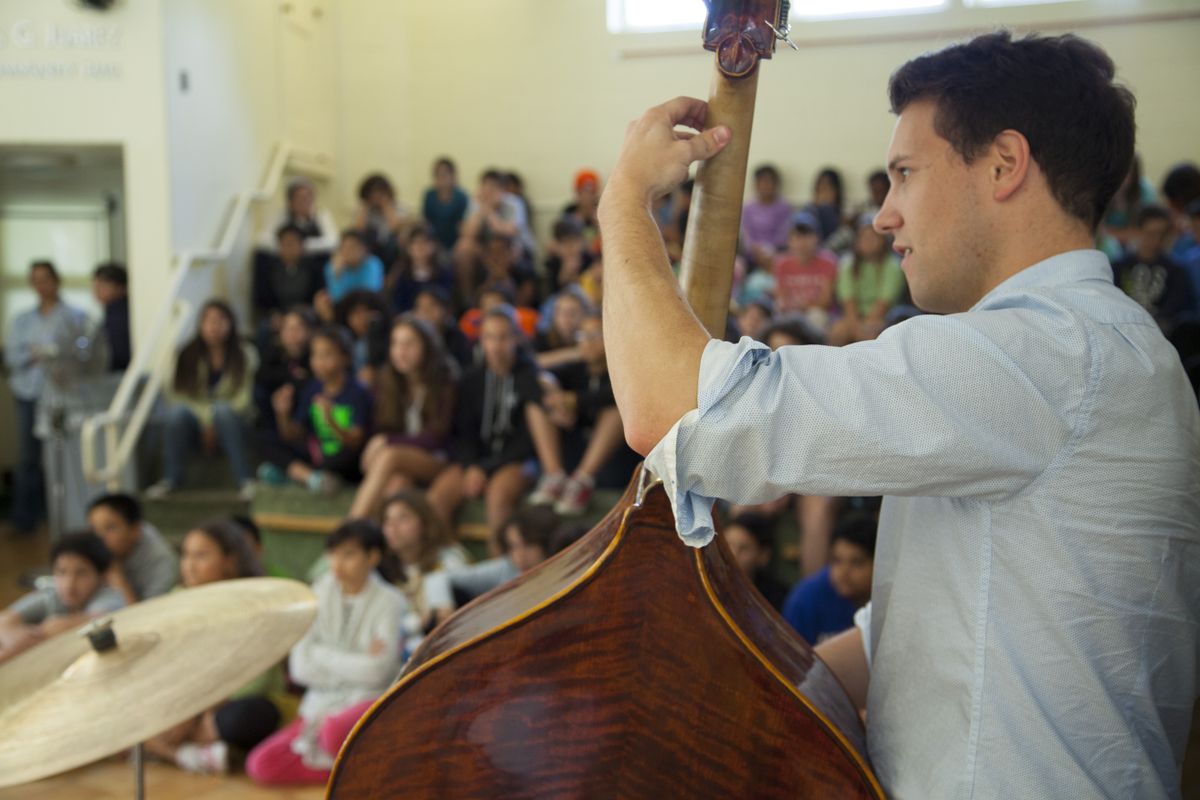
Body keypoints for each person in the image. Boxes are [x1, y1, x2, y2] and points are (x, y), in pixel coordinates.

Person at [598, 31, 1198, 799]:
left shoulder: (1047, 351)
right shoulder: (1087, 349)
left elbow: (670, 408)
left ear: (1005, 166)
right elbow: (922, 638)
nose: (883, 217)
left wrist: (624, 201)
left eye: (904, 175)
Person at [246, 520, 407, 786]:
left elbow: (378, 674)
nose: (337, 563)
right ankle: (354, 775)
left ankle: (354, 769)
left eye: (349, 554)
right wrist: (357, 662)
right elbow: (299, 669)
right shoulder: (317, 595)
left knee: (334, 732)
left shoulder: (389, 602)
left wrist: (320, 654)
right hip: (322, 702)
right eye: (333, 554)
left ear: (373, 557)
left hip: (367, 700)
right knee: (260, 765)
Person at [144, 519, 278, 775]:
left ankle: (167, 746)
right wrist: (182, 708)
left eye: (201, 556)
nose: (190, 566)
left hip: (231, 702)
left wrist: (204, 710)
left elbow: (258, 678)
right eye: (185, 555)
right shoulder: (175, 599)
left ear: (229, 560)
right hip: (184, 703)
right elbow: (166, 665)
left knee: (247, 717)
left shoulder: (254, 604)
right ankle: (185, 754)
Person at [427, 305, 558, 541]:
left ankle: (501, 565)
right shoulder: (471, 379)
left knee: (498, 495)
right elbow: (464, 431)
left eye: (503, 337)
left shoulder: (528, 376)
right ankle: (449, 558)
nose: (496, 346)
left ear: (516, 338)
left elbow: (527, 439)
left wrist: (486, 469)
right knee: (438, 496)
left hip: (518, 460)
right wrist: (471, 467)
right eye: (489, 338)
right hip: (478, 460)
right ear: (481, 341)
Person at [4, 261, 89, 534]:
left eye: (46, 279)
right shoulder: (22, 320)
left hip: (64, 396)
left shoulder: (75, 316)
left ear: (57, 280)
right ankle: (25, 519)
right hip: (29, 393)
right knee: (29, 458)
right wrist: (37, 353)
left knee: (64, 458)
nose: (42, 285)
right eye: (36, 280)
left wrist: (49, 352)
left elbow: (82, 354)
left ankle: (66, 519)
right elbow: (13, 358)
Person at [347, 316, 456, 520]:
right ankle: (380, 546)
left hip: (438, 460)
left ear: (426, 346)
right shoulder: (387, 380)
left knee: (390, 455)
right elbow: (380, 426)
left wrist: (386, 442)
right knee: (397, 484)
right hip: (401, 465)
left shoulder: (444, 381)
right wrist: (383, 442)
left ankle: (351, 529)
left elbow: (435, 438)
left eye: (408, 344)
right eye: (395, 343)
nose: (400, 351)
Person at [147, 300, 258, 500]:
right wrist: (206, 421)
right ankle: (171, 479)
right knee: (176, 414)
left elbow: (244, 399)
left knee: (223, 411)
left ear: (231, 324)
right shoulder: (187, 354)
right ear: (200, 325)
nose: (214, 327)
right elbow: (177, 395)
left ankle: (245, 479)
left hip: (234, 420)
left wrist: (214, 418)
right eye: (209, 321)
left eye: (220, 321)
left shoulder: (245, 354)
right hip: (196, 423)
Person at [259, 325, 371, 494]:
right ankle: (311, 478)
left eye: (326, 355)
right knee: (266, 438)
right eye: (315, 355)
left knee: (345, 457)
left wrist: (331, 420)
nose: (318, 362)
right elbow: (294, 434)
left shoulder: (358, 391)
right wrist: (282, 414)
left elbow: (356, 442)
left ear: (345, 358)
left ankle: (296, 475)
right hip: (318, 455)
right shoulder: (313, 388)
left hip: (346, 459)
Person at [0, 532, 125, 663]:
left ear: (101, 576)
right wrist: (17, 638)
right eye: (62, 572)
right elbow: (4, 619)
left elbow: (98, 618)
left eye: (81, 573)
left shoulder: (110, 596)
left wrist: (31, 635)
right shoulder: (53, 595)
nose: (69, 583)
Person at [781, 513, 876, 645]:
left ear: (878, 565)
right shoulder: (806, 599)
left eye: (856, 562)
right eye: (837, 560)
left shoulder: (891, 601)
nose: (843, 572)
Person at [1110, 205, 1195, 335]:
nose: (1156, 239)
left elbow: (1177, 306)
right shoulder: (1119, 267)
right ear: (1138, 231)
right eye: (1150, 233)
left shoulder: (1176, 270)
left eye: (1162, 233)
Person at [827, 214, 905, 346]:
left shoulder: (893, 266)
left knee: (870, 335)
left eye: (873, 236)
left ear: (882, 240)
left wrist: (863, 328)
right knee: (837, 333)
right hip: (853, 317)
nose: (868, 241)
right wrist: (856, 327)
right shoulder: (847, 264)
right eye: (863, 237)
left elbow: (883, 304)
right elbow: (848, 302)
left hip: (883, 318)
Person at [86, 493, 177, 604]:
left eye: (110, 528)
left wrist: (117, 578)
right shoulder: (88, 548)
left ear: (135, 530)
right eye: (93, 528)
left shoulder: (161, 562)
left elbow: (149, 614)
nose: (99, 536)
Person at [771, 211, 838, 330]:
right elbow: (781, 297)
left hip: (821, 315)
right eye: (797, 236)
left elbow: (825, 302)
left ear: (817, 238)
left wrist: (800, 307)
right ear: (789, 240)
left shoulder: (829, 262)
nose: (802, 242)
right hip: (791, 312)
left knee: (816, 317)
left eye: (807, 235)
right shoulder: (782, 264)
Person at [251, 224, 323, 330]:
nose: (289, 248)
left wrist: (302, 315)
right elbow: (262, 299)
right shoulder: (269, 269)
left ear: (302, 246)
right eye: (285, 244)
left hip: (306, 315)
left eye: (293, 243)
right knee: (264, 328)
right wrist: (274, 314)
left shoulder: (314, 268)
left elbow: (318, 296)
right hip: (278, 314)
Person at [720, 512, 787, 610]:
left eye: (744, 548)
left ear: (764, 556)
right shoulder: (703, 584)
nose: (733, 554)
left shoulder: (777, 599)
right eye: (727, 545)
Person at [257, 177, 339, 255]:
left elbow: (333, 241)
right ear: (290, 201)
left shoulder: (321, 215)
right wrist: (287, 247)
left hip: (311, 258)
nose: (305, 202)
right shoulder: (281, 214)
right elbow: (263, 239)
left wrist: (302, 246)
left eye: (308, 197)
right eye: (300, 198)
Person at [386, 223, 455, 316]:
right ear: (408, 248)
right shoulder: (400, 275)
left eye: (425, 242)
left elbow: (448, 303)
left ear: (434, 246)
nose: (420, 247)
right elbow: (396, 306)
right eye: (415, 243)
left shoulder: (444, 273)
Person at [741, 164, 793, 270]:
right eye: (763, 181)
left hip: (777, 253)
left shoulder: (784, 207)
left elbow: (784, 233)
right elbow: (747, 234)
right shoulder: (748, 207)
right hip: (752, 256)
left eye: (770, 181)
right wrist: (756, 250)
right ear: (756, 184)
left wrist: (771, 251)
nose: (766, 185)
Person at [422, 157, 470, 253]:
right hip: (434, 240)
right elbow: (426, 222)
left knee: (464, 247)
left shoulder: (461, 197)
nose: (441, 178)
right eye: (438, 175)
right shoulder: (429, 195)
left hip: (456, 240)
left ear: (453, 175)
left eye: (444, 174)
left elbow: (463, 225)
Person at [323, 229, 385, 304]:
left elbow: (369, 295)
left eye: (353, 247)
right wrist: (337, 275)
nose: (348, 252)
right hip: (343, 309)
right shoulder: (332, 266)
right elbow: (337, 299)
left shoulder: (373, 263)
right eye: (344, 247)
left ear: (364, 249)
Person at [92, 261, 131, 372]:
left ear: (120, 287)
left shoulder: (120, 314)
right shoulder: (110, 312)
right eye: (96, 283)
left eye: (103, 284)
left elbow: (117, 354)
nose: (97, 288)